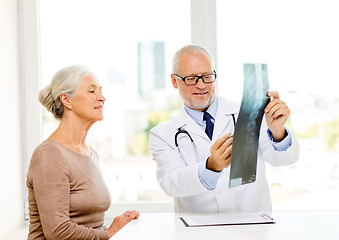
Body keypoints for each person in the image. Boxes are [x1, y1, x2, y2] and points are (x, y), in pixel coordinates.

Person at [149, 44, 300, 213]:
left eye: (207, 76)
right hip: (199, 232)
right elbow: (171, 183)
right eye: (191, 78)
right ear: (174, 81)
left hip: (252, 228)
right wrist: (211, 166)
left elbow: (285, 159)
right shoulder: (162, 134)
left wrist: (278, 132)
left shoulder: (250, 113)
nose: (201, 85)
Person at [26, 65, 140, 240]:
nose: (102, 98)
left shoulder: (91, 154)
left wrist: (116, 227)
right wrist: (108, 233)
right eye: (92, 91)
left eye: (100, 91)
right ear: (66, 100)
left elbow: (88, 226)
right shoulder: (49, 155)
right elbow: (58, 232)